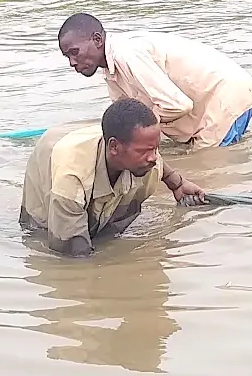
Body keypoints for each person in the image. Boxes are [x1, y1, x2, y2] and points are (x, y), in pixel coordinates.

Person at [20, 98, 207, 257]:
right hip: (51, 155)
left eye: (156, 148)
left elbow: (153, 156)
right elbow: (74, 256)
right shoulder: (71, 177)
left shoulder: (146, 158)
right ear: (114, 147)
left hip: (96, 143)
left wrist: (177, 183)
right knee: (48, 237)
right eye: (144, 151)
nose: (153, 157)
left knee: (108, 237)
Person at [56, 13, 252, 149]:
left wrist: (140, 126)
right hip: (218, 97)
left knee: (208, 168)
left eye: (75, 52)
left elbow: (177, 106)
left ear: (97, 40)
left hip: (226, 98)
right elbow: (125, 113)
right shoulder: (111, 71)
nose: (72, 62)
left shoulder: (127, 55)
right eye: (67, 57)